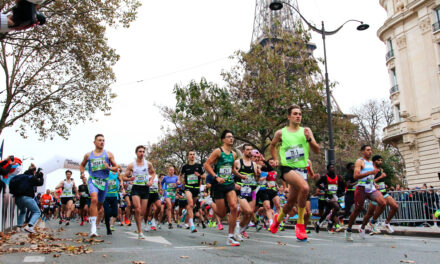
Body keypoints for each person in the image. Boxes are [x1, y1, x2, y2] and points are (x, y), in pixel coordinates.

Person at [269, 105, 320, 241]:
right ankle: (300, 225)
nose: (298, 116)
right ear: (289, 116)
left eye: (300, 114)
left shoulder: (306, 131)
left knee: (291, 202)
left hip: (302, 170)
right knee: (305, 188)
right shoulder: (281, 133)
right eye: (295, 113)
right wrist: (275, 159)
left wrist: (309, 139)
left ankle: (277, 220)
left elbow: (317, 150)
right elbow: (272, 145)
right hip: (287, 168)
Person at [204, 130, 240, 246]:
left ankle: (230, 237)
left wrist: (240, 175)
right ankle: (211, 203)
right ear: (223, 139)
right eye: (229, 137)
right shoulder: (218, 151)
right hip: (218, 185)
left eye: (232, 137)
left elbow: (232, 169)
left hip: (229, 183)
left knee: (234, 207)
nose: (231, 139)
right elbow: (206, 165)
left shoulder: (234, 154)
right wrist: (216, 177)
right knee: (221, 213)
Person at [79, 134, 118, 237]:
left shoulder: (108, 154)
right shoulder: (88, 155)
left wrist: (109, 167)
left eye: (103, 140)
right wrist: (82, 174)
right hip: (93, 180)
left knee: (100, 206)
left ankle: (95, 222)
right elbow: (82, 165)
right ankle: (93, 228)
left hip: (104, 182)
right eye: (99, 140)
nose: (102, 142)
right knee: (94, 200)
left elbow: (116, 168)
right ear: (94, 142)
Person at [345, 145, 386, 241]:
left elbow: (371, 177)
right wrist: (370, 172)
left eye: (371, 150)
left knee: (383, 203)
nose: (370, 152)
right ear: (362, 152)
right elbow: (356, 176)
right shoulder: (360, 161)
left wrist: (374, 183)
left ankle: (371, 223)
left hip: (370, 188)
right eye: (368, 150)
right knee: (357, 210)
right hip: (361, 189)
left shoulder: (372, 163)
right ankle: (348, 230)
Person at [123, 145, 155, 239]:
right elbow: (123, 177)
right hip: (136, 188)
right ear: (136, 153)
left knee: (142, 212)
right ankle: (140, 231)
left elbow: (153, 173)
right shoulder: (131, 165)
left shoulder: (148, 164)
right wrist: (129, 178)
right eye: (140, 151)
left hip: (145, 188)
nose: (142, 153)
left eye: (143, 151)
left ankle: (138, 226)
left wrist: (150, 181)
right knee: (137, 209)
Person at [364, 155, 398, 234]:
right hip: (375, 194)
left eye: (381, 160)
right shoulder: (372, 170)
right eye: (378, 160)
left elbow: (379, 181)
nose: (380, 162)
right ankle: (364, 226)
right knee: (369, 213)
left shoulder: (380, 170)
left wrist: (385, 185)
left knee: (395, 206)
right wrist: (380, 177)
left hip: (383, 192)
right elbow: (369, 181)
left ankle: (386, 223)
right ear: (374, 161)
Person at [233, 143, 260, 241]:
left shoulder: (254, 164)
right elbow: (229, 175)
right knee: (247, 211)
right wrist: (234, 184)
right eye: (247, 149)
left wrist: (258, 175)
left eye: (251, 150)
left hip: (251, 191)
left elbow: (256, 180)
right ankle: (237, 232)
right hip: (241, 191)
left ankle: (238, 231)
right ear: (243, 151)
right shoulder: (237, 162)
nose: (249, 151)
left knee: (250, 214)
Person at [10, 165, 44, 233]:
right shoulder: (31, 177)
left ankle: (18, 227)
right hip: (27, 197)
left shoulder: (19, 176)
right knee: (37, 212)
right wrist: (41, 177)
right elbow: (40, 183)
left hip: (17, 198)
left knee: (23, 211)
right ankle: (29, 226)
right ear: (34, 171)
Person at [314, 164, 345, 233]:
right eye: (331, 167)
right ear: (328, 169)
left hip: (335, 196)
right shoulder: (324, 177)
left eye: (333, 167)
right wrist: (324, 188)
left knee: (327, 212)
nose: (333, 168)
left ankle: (318, 224)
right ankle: (330, 223)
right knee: (337, 207)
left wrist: (341, 188)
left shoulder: (338, 177)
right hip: (328, 196)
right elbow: (317, 184)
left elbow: (342, 187)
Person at [180, 150, 205, 233]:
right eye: (190, 154)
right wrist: (180, 181)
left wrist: (199, 175)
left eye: (193, 154)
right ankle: (191, 224)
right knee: (190, 203)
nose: (192, 156)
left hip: (196, 188)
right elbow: (180, 175)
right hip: (188, 187)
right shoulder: (185, 166)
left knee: (192, 206)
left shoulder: (199, 166)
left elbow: (204, 176)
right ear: (188, 156)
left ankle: (185, 212)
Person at [103, 168, 123, 235]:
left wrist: (121, 184)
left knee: (115, 213)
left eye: (118, 170)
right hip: (106, 196)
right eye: (117, 169)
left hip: (114, 196)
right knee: (107, 213)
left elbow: (121, 180)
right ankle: (108, 229)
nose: (118, 170)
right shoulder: (107, 173)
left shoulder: (118, 174)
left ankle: (108, 215)